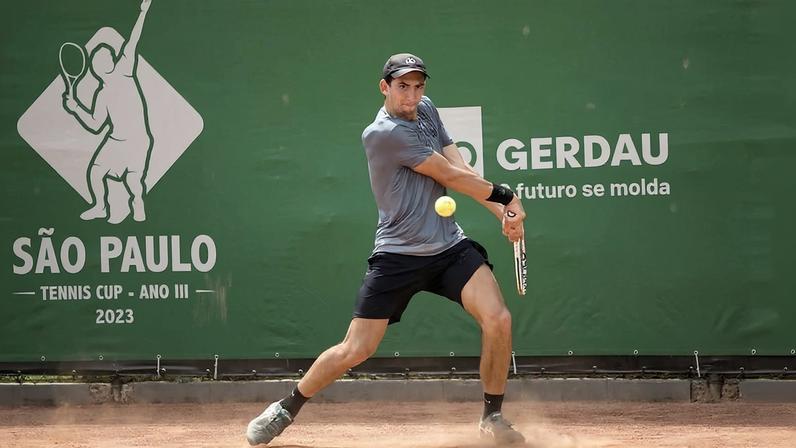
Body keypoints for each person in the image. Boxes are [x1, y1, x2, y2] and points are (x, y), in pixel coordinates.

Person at [246, 53, 527, 446]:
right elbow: (447, 176)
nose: (412, 95)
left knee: (498, 319)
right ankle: (286, 406)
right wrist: (507, 195)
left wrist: (502, 213)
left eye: (418, 86)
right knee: (355, 349)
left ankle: (492, 416)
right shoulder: (382, 133)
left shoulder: (425, 110)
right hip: (398, 255)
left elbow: (457, 163)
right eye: (402, 86)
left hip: (448, 246)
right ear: (385, 87)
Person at [63, 0, 153, 224]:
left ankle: (138, 202)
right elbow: (95, 125)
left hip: (138, 140)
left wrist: (143, 12)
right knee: (95, 171)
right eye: (97, 60)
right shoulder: (101, 95)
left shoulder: (124, 69)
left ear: (112, 61)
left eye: (105, 56)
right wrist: (75, 109)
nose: (102, 60)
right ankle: (100, 206)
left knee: (133, 181)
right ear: (94, 69)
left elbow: (133, 40)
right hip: (116, 140)